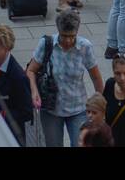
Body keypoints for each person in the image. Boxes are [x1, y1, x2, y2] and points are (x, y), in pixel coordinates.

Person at [26, 9, 104, 147]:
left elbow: (96, 78)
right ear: (58, 31)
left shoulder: (85, 47)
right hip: (51, 109)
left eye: (72, 36)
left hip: (78, 109)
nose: (68, 41)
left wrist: (100, 105)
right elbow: (31, 70)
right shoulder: (46, 45)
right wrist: (34, 91)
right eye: (64, 36)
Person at [0, 24, 34, 144]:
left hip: (8, 136)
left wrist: (2, 115)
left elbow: (27, 112)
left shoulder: (18, 76)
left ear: (6, 47)